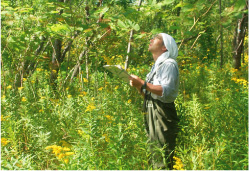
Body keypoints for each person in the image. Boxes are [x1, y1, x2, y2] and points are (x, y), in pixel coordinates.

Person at [129, 33, 179, 170]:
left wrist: (142, 83)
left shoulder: (169, 64)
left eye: (155, 38)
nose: (151, 40)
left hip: (162, 111)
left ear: (164, 47)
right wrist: (139, 86)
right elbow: (147, 93)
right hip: (151, 108)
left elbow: (165, 91)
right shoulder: (157, 66)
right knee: (153, 149)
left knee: (163, 150)